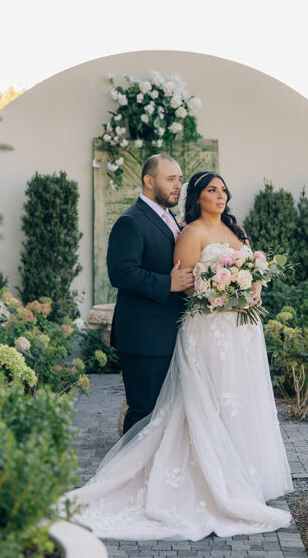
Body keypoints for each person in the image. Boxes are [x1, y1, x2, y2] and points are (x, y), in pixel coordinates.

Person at [66, 170, 293, 541]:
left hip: (242, 332)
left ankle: (243, 477)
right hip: (209, 331)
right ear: (198, 197)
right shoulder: (189, 233)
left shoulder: (237, 232)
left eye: (223, 190)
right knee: (208, 402)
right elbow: (188, 288)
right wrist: (225, 298)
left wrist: (252, 292)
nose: (221, 195)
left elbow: (254, 275)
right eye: (211, 190)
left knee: (240, 400)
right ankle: (197, 481)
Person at [106, 154, 193, 435]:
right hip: (144, 336)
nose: (177, 186)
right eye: (170, 179)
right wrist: (167, 283)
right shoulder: (130, 222)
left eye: (179, 179)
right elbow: (121, 273)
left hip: (170, 331)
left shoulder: (171, 220)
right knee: (144, 411)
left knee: (166, 411)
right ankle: (129, 474)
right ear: (148, 180)